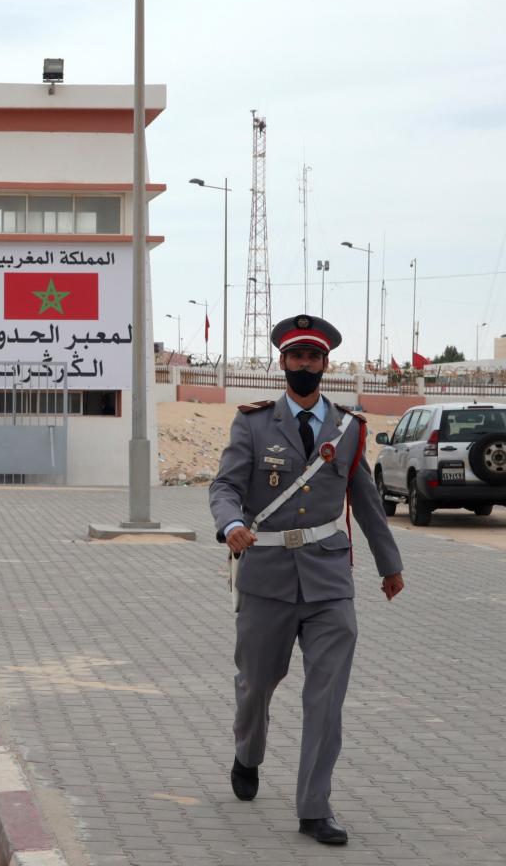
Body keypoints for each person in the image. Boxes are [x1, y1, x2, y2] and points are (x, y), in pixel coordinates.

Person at [209, 314, 404, 846]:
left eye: (313, 358)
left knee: (326, 696)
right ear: (282, 363)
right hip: (266, 578)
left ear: (326, 365)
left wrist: (390, 563)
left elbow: (364, 501)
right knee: (256, 685)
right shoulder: (252, 424)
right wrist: (230, 525)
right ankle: (247, 752)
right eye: (296, 357)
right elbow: (225, 487)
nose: (304, 365)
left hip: (328, 580)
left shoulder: (348, 428)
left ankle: (314, 807)